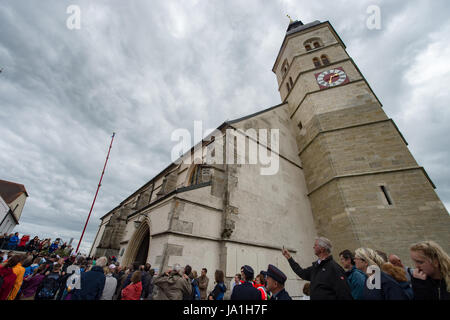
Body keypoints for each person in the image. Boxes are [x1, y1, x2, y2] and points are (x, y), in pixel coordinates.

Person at [282, 237, 353, 300]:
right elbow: (302, 273)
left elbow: (344, 293)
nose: (313, 247)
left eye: (315, 245)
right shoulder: (316, 267)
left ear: (322, 249)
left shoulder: (334, 268)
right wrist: (289, 258)